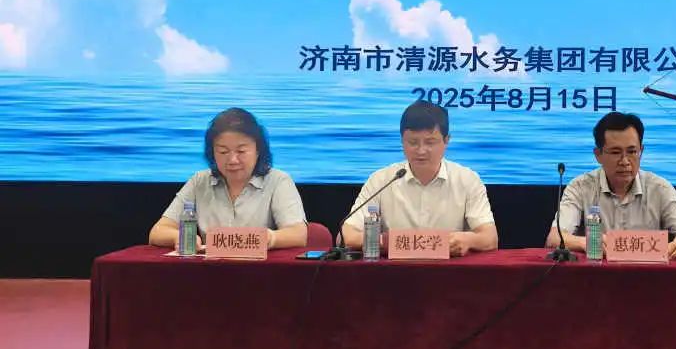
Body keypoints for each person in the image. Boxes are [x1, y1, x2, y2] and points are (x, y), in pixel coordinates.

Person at [342, 101, 497, 256]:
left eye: (430, 142)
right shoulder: (381, 180)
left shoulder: (467, 180)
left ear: (446, 140)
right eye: (413, 142)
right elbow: (349, 234)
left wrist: (468, 240)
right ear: (402, 141)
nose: (421, 150)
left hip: (449, 269)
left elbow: (490, 238)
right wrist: (388, 242)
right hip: (394, 269)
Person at [546, 111, 676, 259]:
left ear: (641, 151)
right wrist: (586, 242)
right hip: (595, 275)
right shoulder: (580, 187)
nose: (625, 161)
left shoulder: (660, 188)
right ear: (598, 155)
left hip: (648, 275)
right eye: (616, 152)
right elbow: (554, 238)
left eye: (632, 152)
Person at [149, 108, 308, 250]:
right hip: (211, 269)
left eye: (241, 151)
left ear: (258, 150)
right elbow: (158, 231)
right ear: (212, 152)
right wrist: (180, 237)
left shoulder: (278, 180)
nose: (232, 160)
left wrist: (268, 239)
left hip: (260, 270)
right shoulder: (200, 181)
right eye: (223, 152)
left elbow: (298, 234)